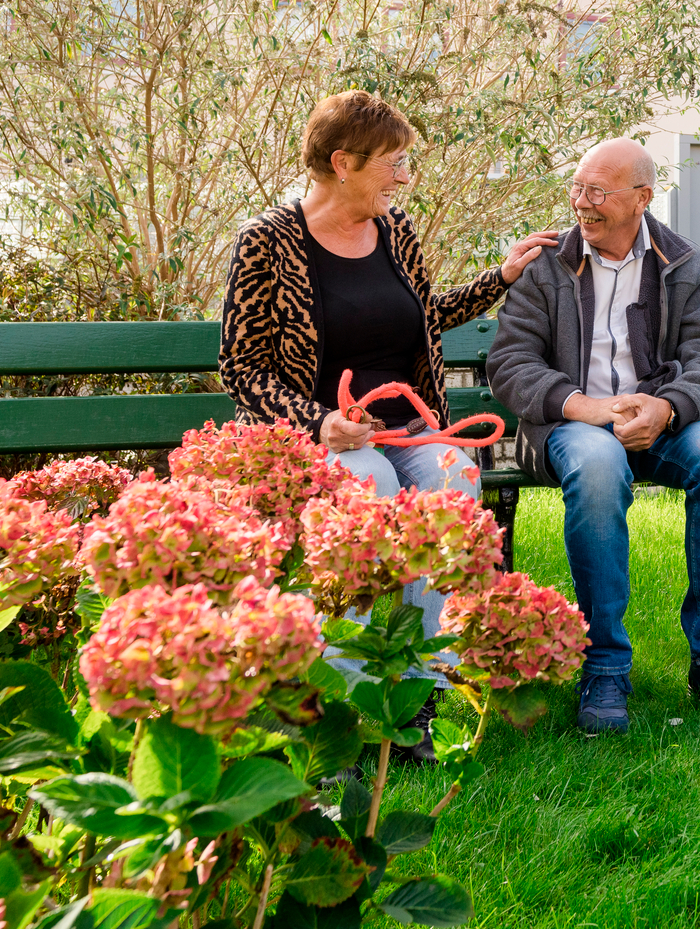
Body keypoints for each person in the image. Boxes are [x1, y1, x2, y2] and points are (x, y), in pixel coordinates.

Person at [219, 90, 549, 750]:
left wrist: (500, 277)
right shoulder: (268, 241)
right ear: (343, 162)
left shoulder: (395, 232)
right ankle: (350, 706)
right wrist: (319, 423)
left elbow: (424, 314)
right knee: (367, 491)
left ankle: (415, 698)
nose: (404, 178)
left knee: (452, 477)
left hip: (409, 426)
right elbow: (240, 365)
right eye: (393, 164)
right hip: (321, 436)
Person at [488, 137, 700, 733]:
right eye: (577, 189)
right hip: (572, 427)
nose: (581, 203)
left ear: (643, 197)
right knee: (596, 464)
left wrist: (668, 408)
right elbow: (511, 362)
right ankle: (604, 663)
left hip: (661, 424)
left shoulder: (687, 264)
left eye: (597, 191)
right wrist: (582, 407)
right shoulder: (546, 265)